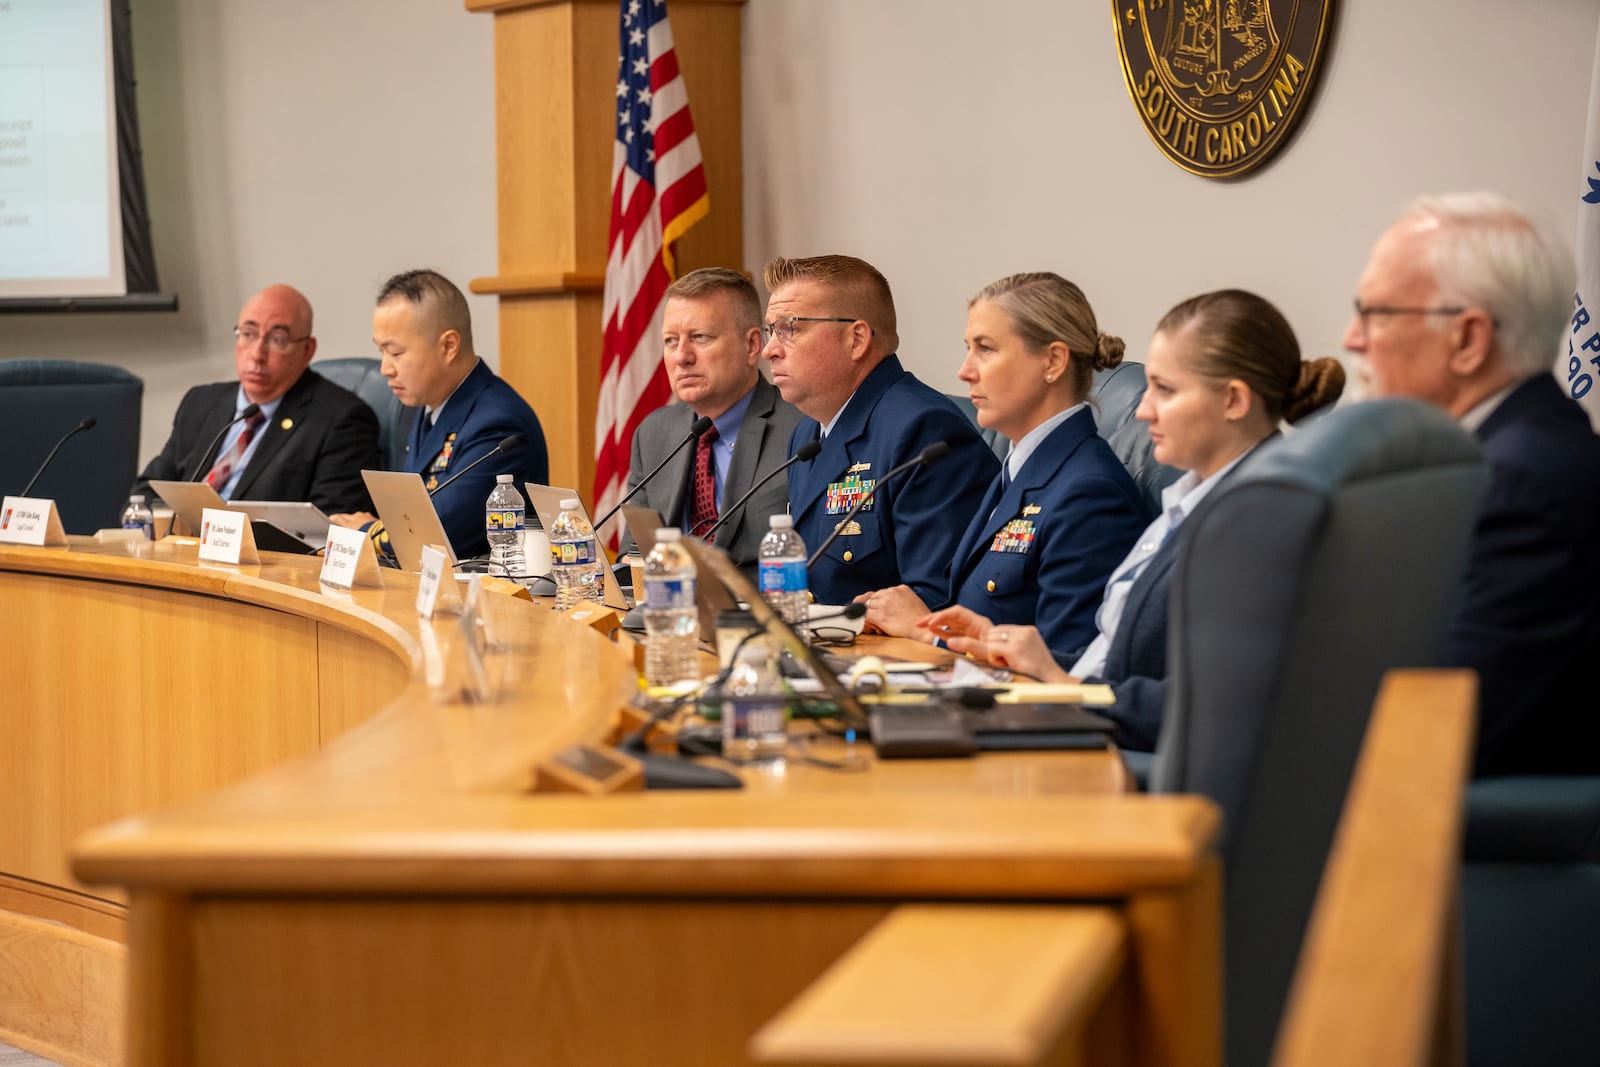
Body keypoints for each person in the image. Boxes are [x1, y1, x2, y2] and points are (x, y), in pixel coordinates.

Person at [925, 290, 1344, 751]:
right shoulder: (1193, 505)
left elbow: (1211, 705)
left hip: (1123, 766)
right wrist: (1028, 656)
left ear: (1233, 400)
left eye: (1165, 390)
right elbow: (1118, 661)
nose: (1142, 411)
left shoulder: (1253, 521)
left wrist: (1064, 688)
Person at [1343, 192, 1600, 777]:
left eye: (1374, 313)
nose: (1352, 338)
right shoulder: (1506, 455)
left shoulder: (1521, 483)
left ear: (1468, 341)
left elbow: (1435, 726)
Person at [856, 272, 1147, 654]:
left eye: (986, 349)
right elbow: (980, 612)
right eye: (968, 348)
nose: (965, 371)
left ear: (1053, 361)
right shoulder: (1019, 469)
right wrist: (901, 616)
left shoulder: (1089, 492)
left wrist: (923, 631)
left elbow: (1062, 672)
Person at [762, 254, 999, 605]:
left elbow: (938, 599)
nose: (769, 350)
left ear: (856, 340)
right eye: (771, 331)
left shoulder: (924, 430)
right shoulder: (808, 434)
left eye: (789, 329)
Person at [330, 270, 549, 561]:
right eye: (381, 351)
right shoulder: (429, 406)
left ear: (448, 346)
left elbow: (439, 535)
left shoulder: (498, 424)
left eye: (395, 353)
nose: (385, 369)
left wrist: (365, 530)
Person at [620, 268, 803, 579]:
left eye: (699, 337)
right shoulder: (653, 434)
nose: (681, 357)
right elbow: (634, 555)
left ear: (752, 345)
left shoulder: (802, 430)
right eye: (670, 341)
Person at [135, 284, 380, 515]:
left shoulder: (342, 420)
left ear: (307, 350)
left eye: (277, 341)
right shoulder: (200, 402)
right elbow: (146, 493)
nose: (257, 355)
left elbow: (331, 525)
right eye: (248, 334)